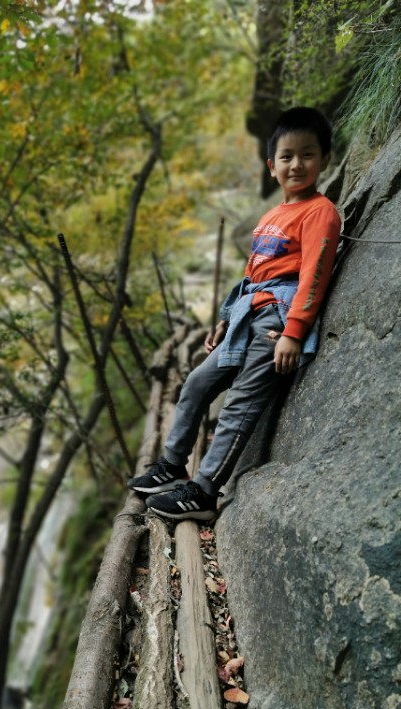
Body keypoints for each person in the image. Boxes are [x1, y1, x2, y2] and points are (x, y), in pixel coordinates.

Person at [128, 106, 342, 521]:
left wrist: (294, 332)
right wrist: (228, 317)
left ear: (325, 159)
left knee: (240, 402)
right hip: (246, 317)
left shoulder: (320, 212)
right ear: (272, 166)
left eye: (308, 154)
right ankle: (172, 465)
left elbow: (315, 274)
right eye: (287, 156)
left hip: (277, 319)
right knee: (196, 382)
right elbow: (253, 272)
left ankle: (204, 492)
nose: (296, 164)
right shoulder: (273, 215)